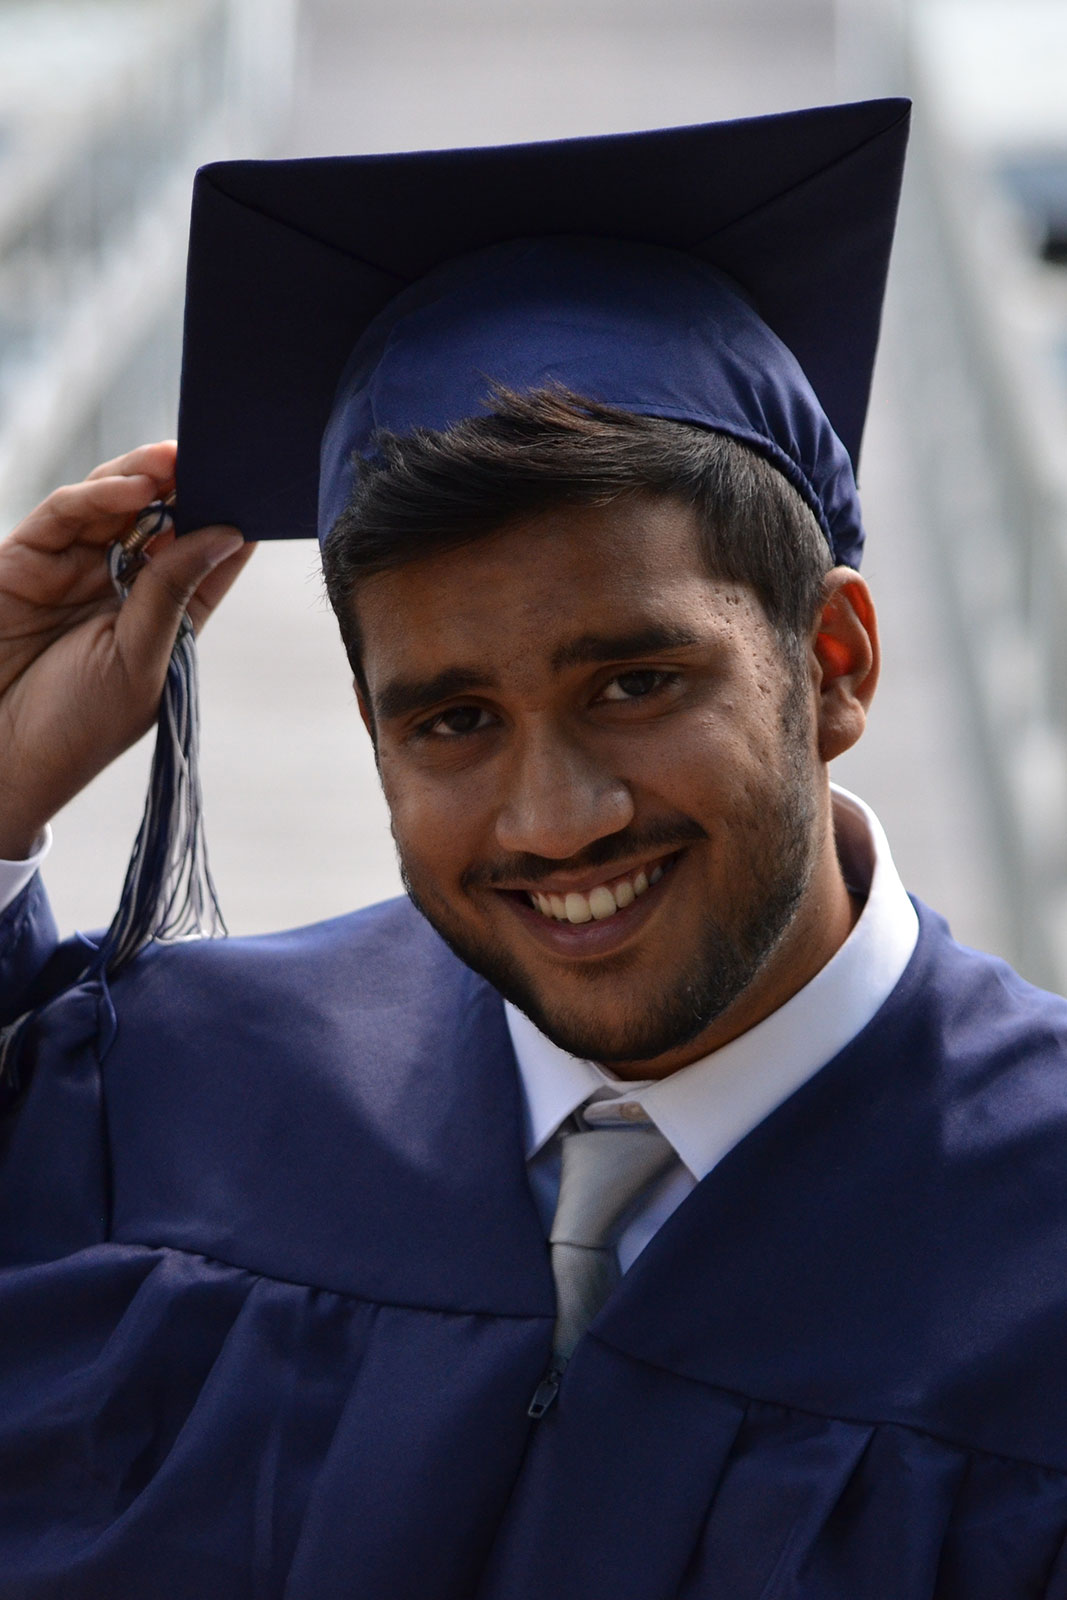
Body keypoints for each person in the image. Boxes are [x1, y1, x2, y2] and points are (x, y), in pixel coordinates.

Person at [2, 98, 1067, 1600]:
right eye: (450, 722)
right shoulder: (181, 1096)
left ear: (834, 663)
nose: (555, 817)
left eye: (636, 685)